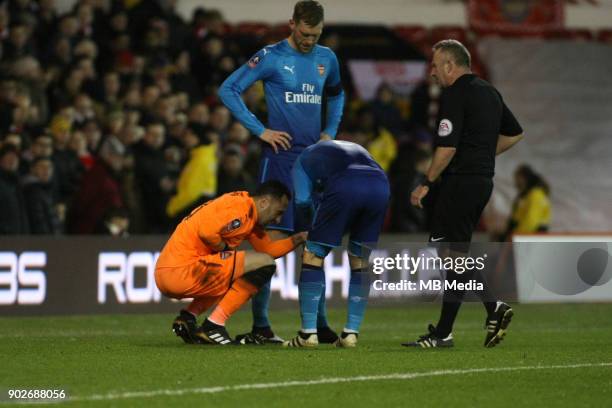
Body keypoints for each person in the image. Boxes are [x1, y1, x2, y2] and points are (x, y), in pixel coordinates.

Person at [218, 0, 344, 343]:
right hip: (280, 161)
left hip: (314, 162)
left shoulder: (326, 59)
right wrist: (260, 130)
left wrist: (330, 131)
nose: (309, 41)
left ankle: (318, 324)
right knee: (268, 248)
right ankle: (261, 325)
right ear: (292, 24)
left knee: (314, 246)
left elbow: (337, 94)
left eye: (315, 35)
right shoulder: (271, 57)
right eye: (304, 34)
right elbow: (227, 89)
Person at [404, 39, 524, 349]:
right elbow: (515, 133)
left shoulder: (455, 94)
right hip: (482, 181)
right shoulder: (489, 92)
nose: (432, 73)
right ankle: (478, 314)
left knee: (452, 255)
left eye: (435, 65)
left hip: (459, 182)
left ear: (449, 65)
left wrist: (427, 182)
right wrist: (483, 156)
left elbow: (447, 147)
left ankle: (450, 330)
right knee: (454, 255)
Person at [154, 181, 307, 345]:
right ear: (264, 202)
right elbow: (206, 232)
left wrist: (297, 239)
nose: (278, 220)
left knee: (246, 267)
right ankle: (213, 326)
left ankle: (188, 318)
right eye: (278, 212)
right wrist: (225, 248)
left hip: (168, 271)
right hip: (181, 271)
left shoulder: (248, 215)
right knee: (256, 266)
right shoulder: (240, 208)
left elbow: (268, 251)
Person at [283, 140, 390, 348]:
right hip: (381, 185)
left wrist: (311, 227)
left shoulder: (302, 160)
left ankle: (307, 335)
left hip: (347, 184)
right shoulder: (351, 147)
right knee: (359, 259)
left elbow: (302, 201)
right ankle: (351, 333)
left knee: (313, 254)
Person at [501, 164, 551, 240]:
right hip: (522, 236)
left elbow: (530, 221)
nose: (515, 181)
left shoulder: (535, 195)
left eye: (516, 177)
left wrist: (515, 237)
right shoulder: (526, 196)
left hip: (529, 238)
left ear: (523, 177)